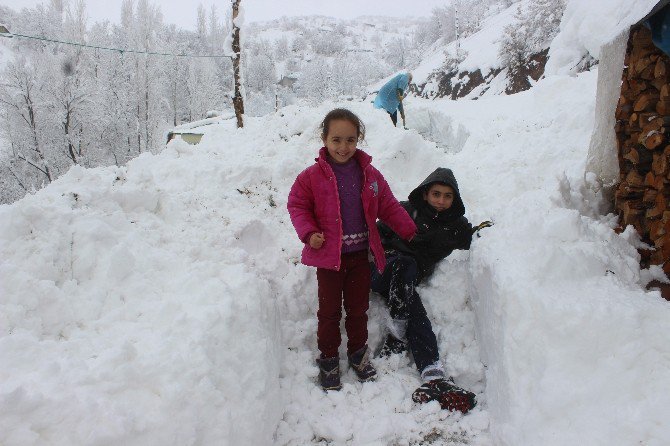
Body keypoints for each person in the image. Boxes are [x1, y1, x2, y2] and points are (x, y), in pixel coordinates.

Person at [287, 108, 417, 391]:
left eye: (350, 140)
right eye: (336, 140)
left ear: (358, 140)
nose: (343, 147)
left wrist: (409, 229)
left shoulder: (369, 175)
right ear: (324, 139)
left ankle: (358, 355)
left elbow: (389, 205)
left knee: (358, 310)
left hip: (360, 257)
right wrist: (309, 233)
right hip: (329, 260)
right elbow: (297, 205)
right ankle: (329, 360)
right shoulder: (310, 177)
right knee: (329, 313)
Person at [372, 167, 491, 413]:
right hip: (382, 271)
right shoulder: (405, 210)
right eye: (436, 193)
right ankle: (397, 331)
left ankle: (432, 372)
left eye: (448, 196)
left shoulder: (455, 227)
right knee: (404, 263)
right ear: (425, 193)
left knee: (416, 311)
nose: (441, 200)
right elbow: (374, 230)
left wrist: (484, 231)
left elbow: (472, 239)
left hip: (407, 282)